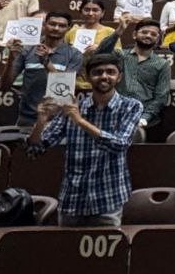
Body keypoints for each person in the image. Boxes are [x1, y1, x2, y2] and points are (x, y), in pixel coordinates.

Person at [26, 52, 142, 226]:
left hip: (107, 199)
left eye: (110, 72)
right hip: (72, 199)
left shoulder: (131, 106)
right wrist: (41, 121)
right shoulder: (72, 108)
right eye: (97, 72)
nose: (104, 76)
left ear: (119, 77)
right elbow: (35, 150)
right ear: (87, 78)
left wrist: (80, 121)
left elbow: (119, 144)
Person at [2, 11, 82, 127]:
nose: (56, 28)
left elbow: (64, 90)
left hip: (58, 120)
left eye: (62, 26)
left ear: (68, 28)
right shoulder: (27, 49)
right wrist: (11, 58)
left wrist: (46, 63)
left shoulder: (75, 54)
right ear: (44, 25)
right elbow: (5, 85)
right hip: (27, 117)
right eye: (52, 24)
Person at [95, 17, 170, 138]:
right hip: (115, 113)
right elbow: (100, 54)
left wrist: (144, 118)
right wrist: (118, 31)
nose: (148, 35)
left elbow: (161, 96)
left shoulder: (162, 64)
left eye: (153, 34)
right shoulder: (120, 55)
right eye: (144, 32)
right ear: (134, 35)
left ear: (157, 39)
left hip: (145, 119)